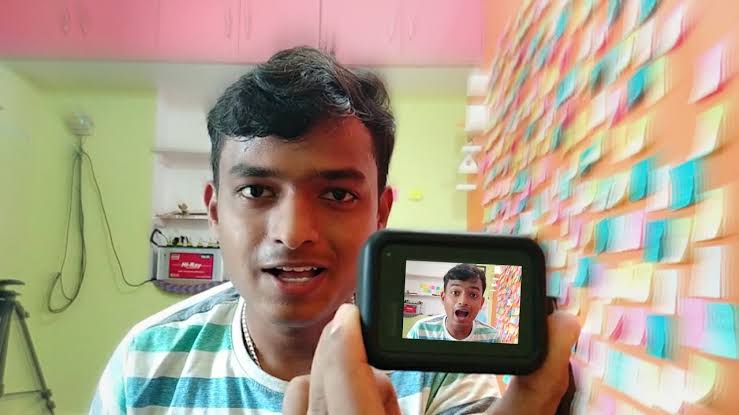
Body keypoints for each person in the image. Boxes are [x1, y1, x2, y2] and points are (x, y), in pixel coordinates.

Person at [90, 47, 580, 414]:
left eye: (338, 195)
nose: (293, 233)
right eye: (257, 191)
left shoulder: (439, 365)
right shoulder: (144, 362)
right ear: (215, 212)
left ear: (381, 213)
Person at [407, 264, 499, 342]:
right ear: (443, 298)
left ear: (481, 303)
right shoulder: (420, 331)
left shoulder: (492, 338)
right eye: (455, 292)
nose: (463, 302)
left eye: (473, 295)